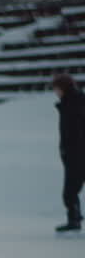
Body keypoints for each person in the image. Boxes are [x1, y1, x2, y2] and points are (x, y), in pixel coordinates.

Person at [53, 73, 84, 233]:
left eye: (56, 88)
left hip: (77, 154)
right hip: (75, 153)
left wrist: (70, 151)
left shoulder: (72, 105)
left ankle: (74, 220)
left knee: (70, 190)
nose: (55, 92)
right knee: (71, 190)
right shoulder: (74, 102)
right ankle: (75, 217)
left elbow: (75, 132)